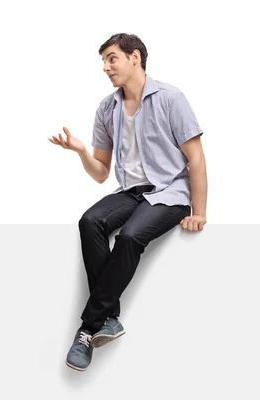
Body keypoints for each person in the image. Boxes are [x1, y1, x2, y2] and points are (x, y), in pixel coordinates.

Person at [49, 33, 208, 371]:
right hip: (131, 192)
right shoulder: (107, 108)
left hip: (170, 193)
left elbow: (196, 158)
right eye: (104, 61)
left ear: (135, 57)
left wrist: (200, 212)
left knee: (130, 236)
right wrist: (80, 151)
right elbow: (101, 173)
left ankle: (89, 327)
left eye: (112, 58)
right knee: (90, 221)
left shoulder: (171, 98)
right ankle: (110, 318)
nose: (106, 67)